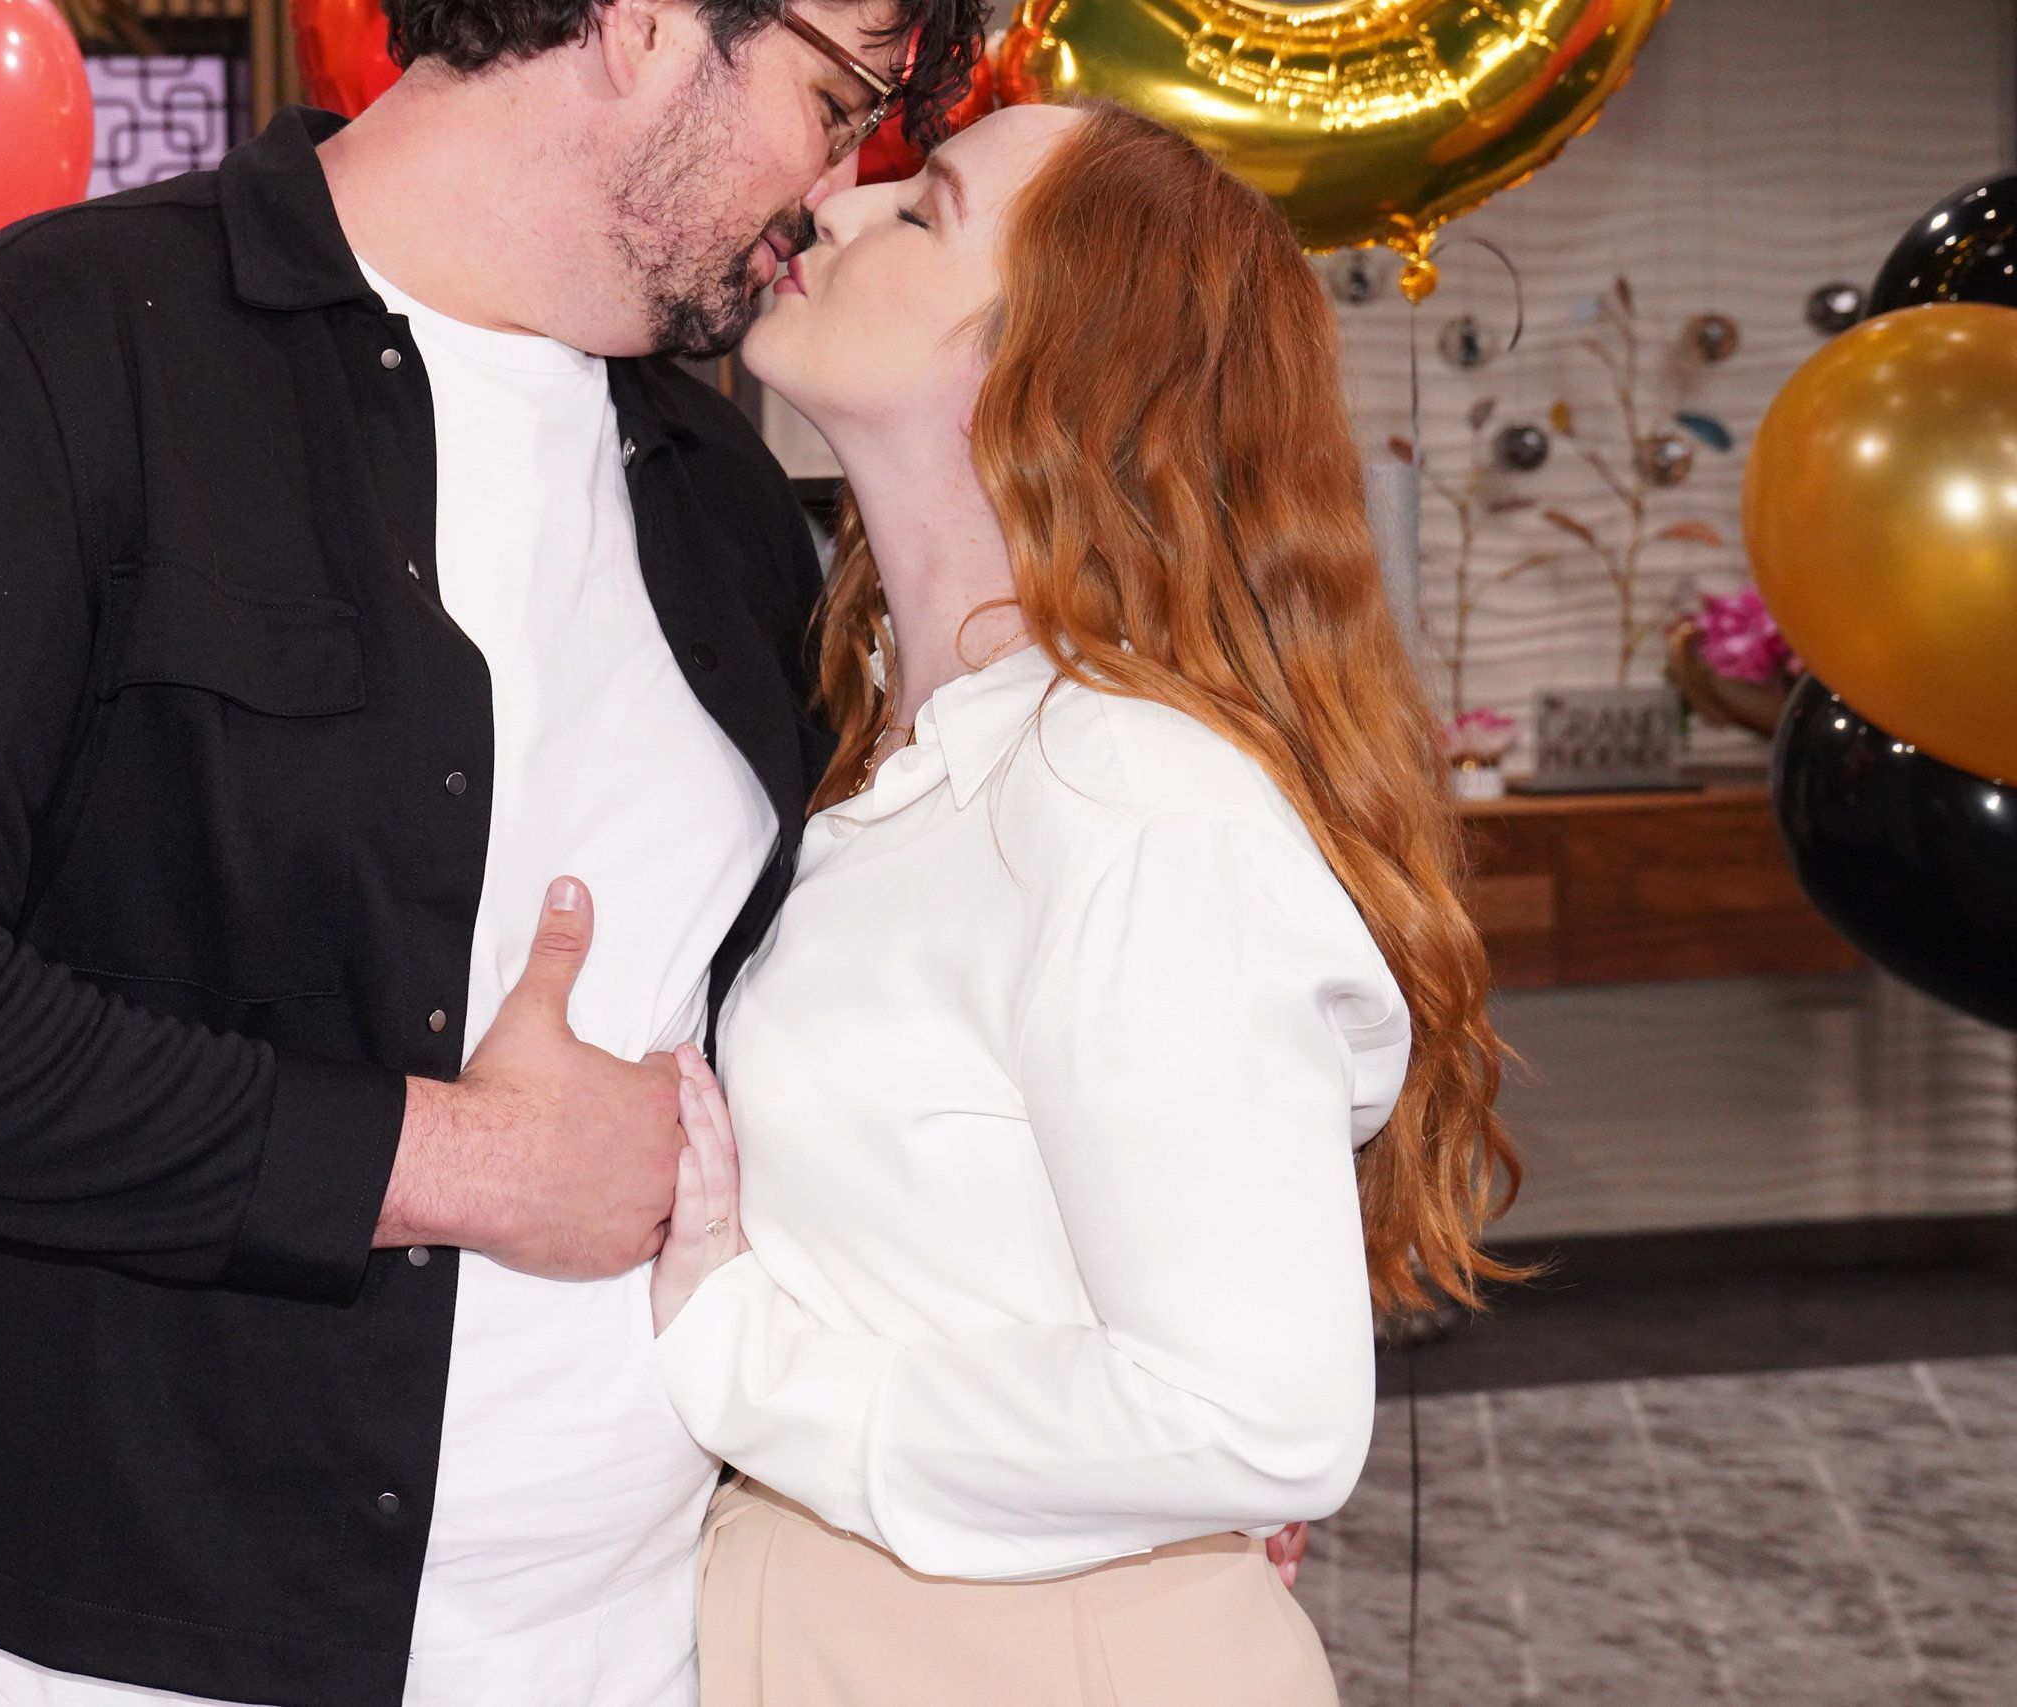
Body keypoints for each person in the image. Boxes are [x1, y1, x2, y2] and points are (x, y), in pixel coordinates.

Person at [0, 0, 985, 1707]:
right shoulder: (71, 347)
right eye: (834, 101)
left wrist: (1106, 1428)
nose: (841, 185)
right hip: (138, 1639)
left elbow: (827, 1035)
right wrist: (455, 1159)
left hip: (644, 1624)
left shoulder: (716, 493)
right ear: (646, 10)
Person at [594, 99, 1522, 1703]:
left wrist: (743, 1354)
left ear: (1061, 364)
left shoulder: (1130, 799)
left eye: (926, 206)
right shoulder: (911, 744)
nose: (841, 201)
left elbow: (1256, 1417)